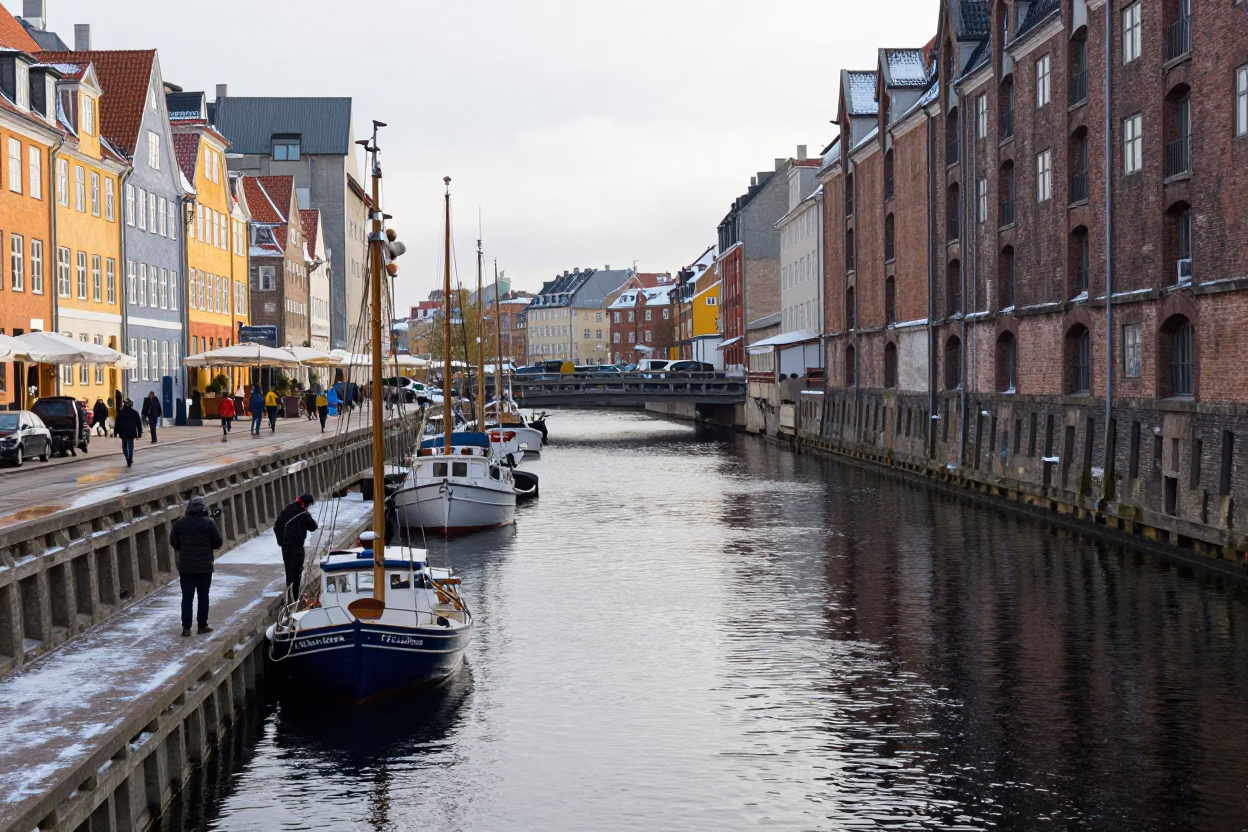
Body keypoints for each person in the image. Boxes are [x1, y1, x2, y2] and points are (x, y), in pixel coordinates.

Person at [170, 495, 223, 637]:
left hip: (186, 567)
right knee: (203, 596)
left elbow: (173, 542)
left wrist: (184, 549)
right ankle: (202, 626)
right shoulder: (209, 523)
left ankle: (186, 627)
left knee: (187, 597)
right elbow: (218, 542)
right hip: (204, 567)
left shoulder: (180, 523)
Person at [274, 493, 318, 598]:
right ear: (306, 504)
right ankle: (296, 595)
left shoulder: (288, 509)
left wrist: (281, 542)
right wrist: (307, 515)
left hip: (286, 547)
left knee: (289, 570)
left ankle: (290, 596)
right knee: (297, 570)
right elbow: (313, 526)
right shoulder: (303, 514)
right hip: (297, 546)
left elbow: (276, 526)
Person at [114, 398, 142, 467]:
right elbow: (138, 423)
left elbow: (117, 423)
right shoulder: (134, 412)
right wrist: (139, 432)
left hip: (123, 431)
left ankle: (127, 459)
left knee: (124, 447)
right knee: (130, 447)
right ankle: (130, 459)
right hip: (131, 431)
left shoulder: (120, 413)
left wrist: (115, 432)